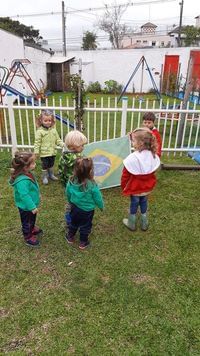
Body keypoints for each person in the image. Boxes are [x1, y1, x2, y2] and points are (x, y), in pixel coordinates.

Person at [121, 128, 160, 231]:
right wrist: (132, 136)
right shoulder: (152, 155)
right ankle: (144, 222)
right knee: (144, 202)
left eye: (133, 140)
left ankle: (131, 223)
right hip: (147, 187)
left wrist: (123, 186)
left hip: (135, 188)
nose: (132, 142)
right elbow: (152, 171)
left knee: (134, 203)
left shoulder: (132, 158)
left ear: (140, 143)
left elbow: (125, 175)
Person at [65, 157, 104, 250]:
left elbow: (67, 192)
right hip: (87, 210)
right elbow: (98, 198)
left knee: (73, 222)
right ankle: (83, 242)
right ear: (90, 171)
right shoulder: (92, 185)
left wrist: (70, 201)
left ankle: (70, 237)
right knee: (85, 225)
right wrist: (101, 206)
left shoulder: (71, 181)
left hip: (74, 207)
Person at [9, 152, 42, 247]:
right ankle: (28, 236)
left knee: (32, 218)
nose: (35, 164)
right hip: (26, 207)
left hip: (31, 205)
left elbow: (33, 187)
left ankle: (32, 228)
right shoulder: (22, 181)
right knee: (26, 221)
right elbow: (24, 195)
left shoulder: (28, 173)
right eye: (33, 163)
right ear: (25, 167)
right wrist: (32, 207)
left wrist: (38, 194)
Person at [58, 130, 87, 225]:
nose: (83, 147)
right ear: (72, 146)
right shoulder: (79, 159)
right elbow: (83, 171)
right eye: (81, 146)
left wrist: (63, 182)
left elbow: (60, 170)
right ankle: (75, 219)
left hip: (67, 184)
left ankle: (69, 220)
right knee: (77, 202)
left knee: (70, 201)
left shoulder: (63, 156)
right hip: (77, 183)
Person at [34, 110, 64, 185]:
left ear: (52, 121)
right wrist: (36, 152)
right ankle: (44, 176)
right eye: (45, 120)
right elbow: (37, 143)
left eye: (49, 120)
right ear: (41, 121)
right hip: (44, 153)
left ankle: (51, 174)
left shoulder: (54, 130)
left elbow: (58, 140)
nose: (48, 122)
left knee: (51, 164)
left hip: (52, 152)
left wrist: (63, 144)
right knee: (45, 165)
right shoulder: (40, 131)